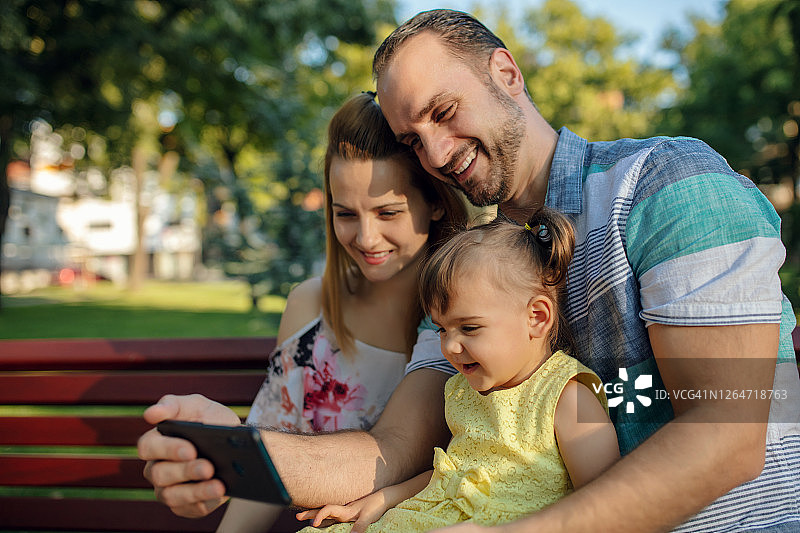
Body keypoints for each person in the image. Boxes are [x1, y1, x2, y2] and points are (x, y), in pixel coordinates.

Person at [138, 9, 800, 532]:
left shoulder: (667, 183)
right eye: (410, 139)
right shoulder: (467, 274)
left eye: (444, 112)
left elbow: (729, 432)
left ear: (506, 74)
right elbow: (394, 447)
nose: (435, 151)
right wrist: (240, 452)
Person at [210, 91, 467, 532]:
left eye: (388, 212)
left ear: (437, 202)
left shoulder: (464, 313)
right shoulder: (309, 308)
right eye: (345, 213)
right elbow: (266, 469)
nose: (366, 238)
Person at [294, 209, 620, 532]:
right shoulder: (464, 391)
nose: (450, 346)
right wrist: (382, 499)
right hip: (433, 516)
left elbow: (608, 506)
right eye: (442, 330)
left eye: (469, 328)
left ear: (536, 317)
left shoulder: (567, 396)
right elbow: (451, 474)